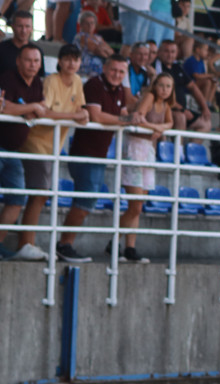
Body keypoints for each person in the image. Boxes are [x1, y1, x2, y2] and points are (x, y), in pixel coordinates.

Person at [9, 43, 89, 261]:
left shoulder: (78, 82)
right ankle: (25, 243)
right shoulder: (51, 81)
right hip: (36, 143)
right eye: (67, 59)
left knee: (39, 195)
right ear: (59, 62)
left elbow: (81, 110)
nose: (72, 63)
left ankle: (26, 242)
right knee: (39, 193)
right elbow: (46, 113)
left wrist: (81, 114)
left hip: (54, 146)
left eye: (76, 59)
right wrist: (74, 116)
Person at [56, 55, 138, 263]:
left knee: (87, 201)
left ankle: (65, 244)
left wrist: (132, 117)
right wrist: (126, 119)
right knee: (85, 201)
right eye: (114, 70)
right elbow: (97, 116)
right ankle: (64, 244)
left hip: (99, 154)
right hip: (85, 153)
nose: (117, 75)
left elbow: (123, 112)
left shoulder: (118, 89)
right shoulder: (94, 84)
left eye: (121, 72)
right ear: (104, 68)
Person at [115, 71, 173, 263]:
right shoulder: (149, 97)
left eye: (168, 86)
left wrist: (159, 128)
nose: (164, 90)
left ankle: (129, 247)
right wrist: (156, 128)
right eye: (161, 85)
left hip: (148, 151)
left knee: (138, 206)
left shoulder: (166, 104)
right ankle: (114, 240)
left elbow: (170, 123)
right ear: (155, 85)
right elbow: (139, 117)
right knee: (136, 204)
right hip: (135, 148)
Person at [0, 43, 48, 261]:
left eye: (36, 61)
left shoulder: (38, 82)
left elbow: (42, 108)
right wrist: (30, 108)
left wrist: (32, 109)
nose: (32, 65)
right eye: (28, 60)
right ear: (18, 61)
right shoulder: (7, 78)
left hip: (14, 150)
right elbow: (3, 107)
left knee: (17, 198)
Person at [154, 39, 211, 132]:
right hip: (166, 110)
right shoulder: (157, 68)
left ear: (177, 53)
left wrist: (205, 107)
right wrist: (182, 110)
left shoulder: (178, 67)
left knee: (205, 123)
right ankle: (178, 146)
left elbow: (193, 87)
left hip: (181, 110)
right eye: (166, 51)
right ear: (159, 52)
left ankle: (190, 147)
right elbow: (161, 95)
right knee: (180, 117)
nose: (170, 55)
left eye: (173, 52)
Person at [72, 10, 113, 81]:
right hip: (86, 70)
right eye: (86, 23)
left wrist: (105, 51)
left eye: (92, 23)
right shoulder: (80, 36)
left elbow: (112, 53)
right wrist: (105, 50)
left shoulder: (98, 37)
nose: (90, 25)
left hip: (100, 70)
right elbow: (98, 51)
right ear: (81, 24)